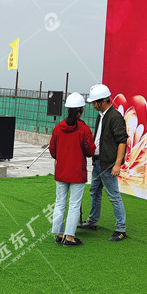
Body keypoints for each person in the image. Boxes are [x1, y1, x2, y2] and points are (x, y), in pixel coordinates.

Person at [78, 84, 129, 241]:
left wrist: (117, 165)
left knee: (113, 195)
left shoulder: (115, 117)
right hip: (98, 162)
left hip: (108, 164)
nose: (93, 105)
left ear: (103, 101)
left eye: (94, 102)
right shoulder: (101, 115)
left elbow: (122, 141)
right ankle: (92, 221)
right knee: (95, 191)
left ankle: (121, 229)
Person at [49, 92, 95, 247]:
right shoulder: (84, 129)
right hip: (77, 173)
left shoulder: (58, 128)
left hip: (61, 171)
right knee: (74, 204)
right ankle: (69, 237)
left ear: (67, 110)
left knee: (60, 202)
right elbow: (90, 151)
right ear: (80, 111)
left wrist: (62, 158)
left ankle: (59, 234)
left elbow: (52, 150)